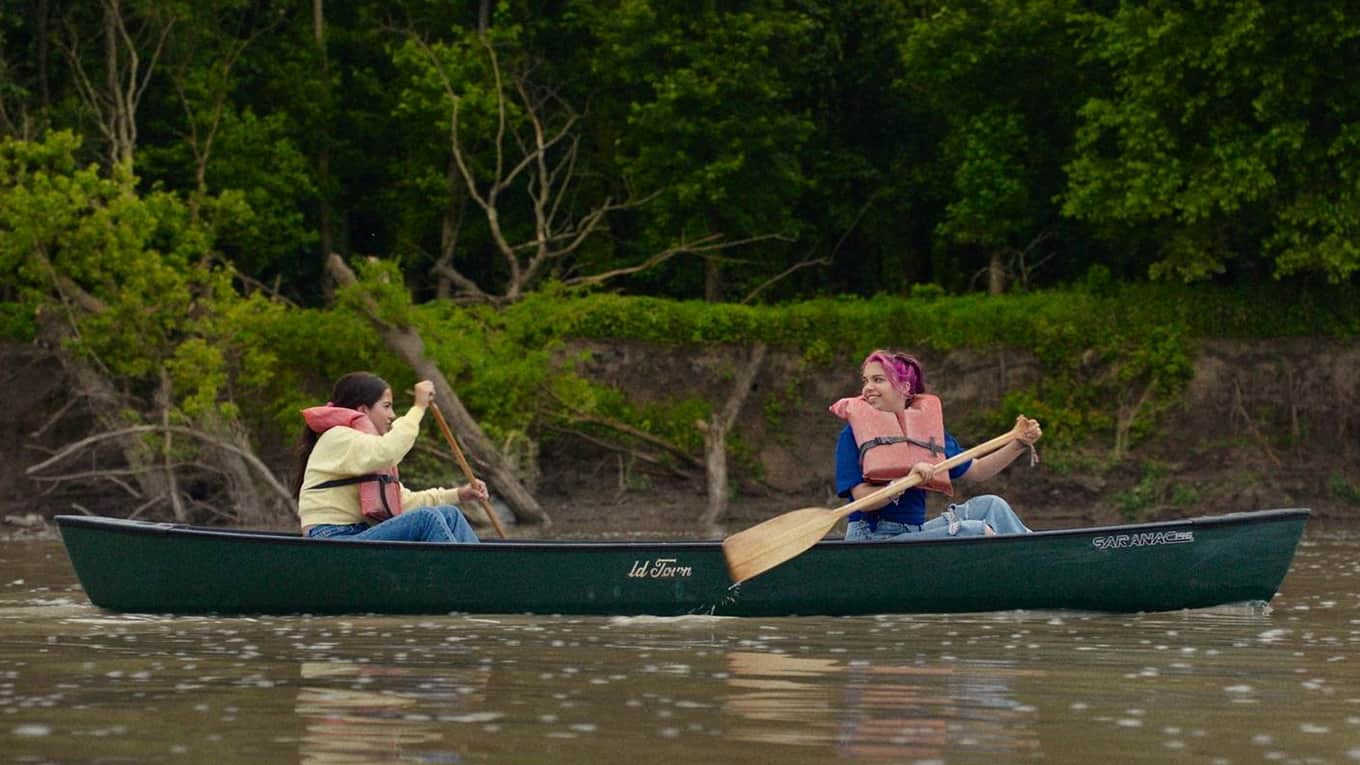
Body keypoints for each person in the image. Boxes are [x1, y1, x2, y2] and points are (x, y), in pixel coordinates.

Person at [833, 350, 1041, 541]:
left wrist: (1018, 444)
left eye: (878, 380)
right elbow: (861, 498)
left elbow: (977, 470)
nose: (868, 388)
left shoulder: (926, 433)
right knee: (974, 531)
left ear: (905, 387)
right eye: (865, 381)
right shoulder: (852, 435)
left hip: (912, 532)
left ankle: (1037, 554)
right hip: (873, 536)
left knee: (992, 505)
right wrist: (902, 483)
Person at [293, 371, 487, 543]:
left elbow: (403, 502)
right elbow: (389, 450)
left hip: (358, 533)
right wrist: (418, 408)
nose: (392, 415)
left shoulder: (363, 447)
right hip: (331, 537)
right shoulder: (339, 437)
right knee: (427, 519)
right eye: (386, 406)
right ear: (363, 410)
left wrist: (458, 494)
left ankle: (480, 568)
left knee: (450, 514)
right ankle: (464, 571)